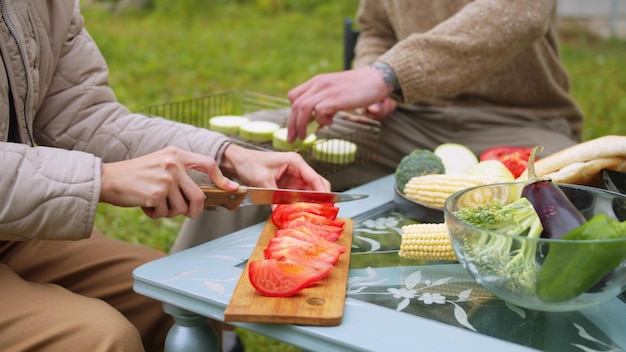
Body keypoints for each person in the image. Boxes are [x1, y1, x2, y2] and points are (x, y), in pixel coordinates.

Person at [0, 1, 330, 351]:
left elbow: (83, 115)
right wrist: (102, 179)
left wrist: (228, 156)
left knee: (182, 299)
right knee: (101, 340)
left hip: (15, 233)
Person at [287, 0, 585, 191]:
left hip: (519, 122)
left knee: (582, 194)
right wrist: (374, 75)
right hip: (408, 118)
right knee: (258, 154)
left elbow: (523, 12)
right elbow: (377, 29)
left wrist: (388, 75)